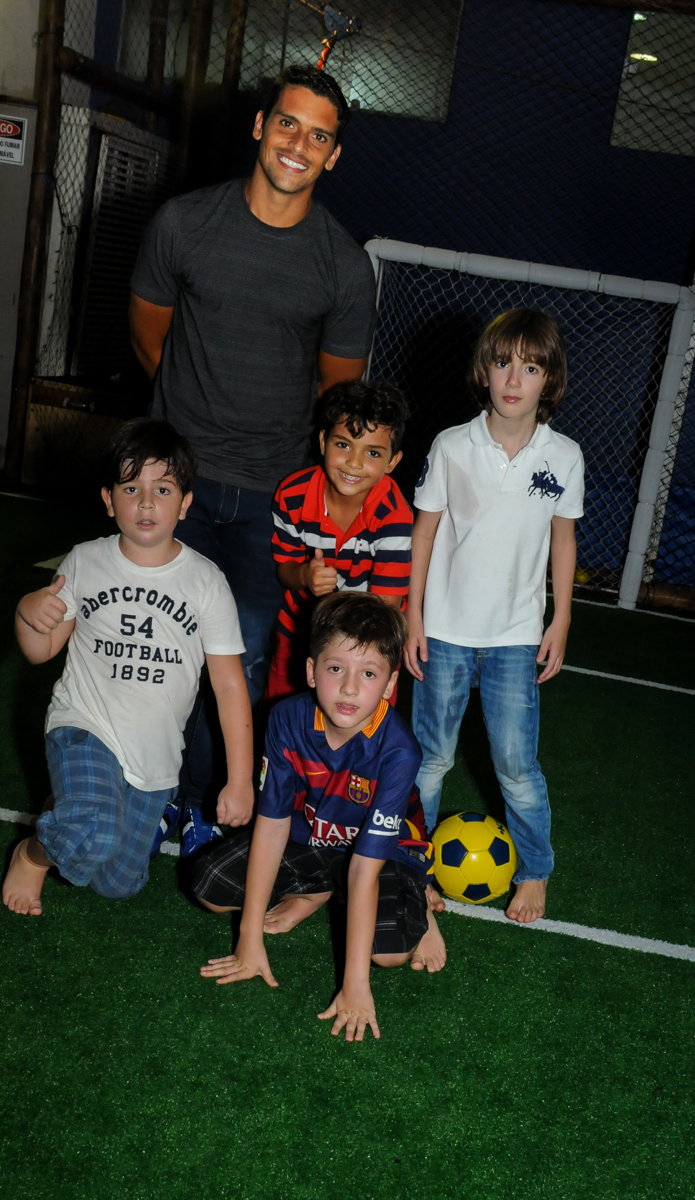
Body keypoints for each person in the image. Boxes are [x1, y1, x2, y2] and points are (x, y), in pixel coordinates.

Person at [129, 64, 377, 851]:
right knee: (152, 644)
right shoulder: (183, 223)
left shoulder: (341, 264)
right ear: (260, 125)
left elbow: (337, 397)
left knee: (234, 652)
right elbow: (149, 338)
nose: (299, 144)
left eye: (319, 135)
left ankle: (202, 801)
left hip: (274, 500)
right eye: (288, 124)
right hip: (180, 487)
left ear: (333, 156)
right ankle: (143, 790)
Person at [2, 419, 253, 916]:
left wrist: (240, 779)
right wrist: (27, 613)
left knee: (117, 882)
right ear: (107, 499)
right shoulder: (84, 561)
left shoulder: (206, 582)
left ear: (184, 504)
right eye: (130, 488)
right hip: (84, 724)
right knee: (92, 827)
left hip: (155, 756)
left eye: (162, 490)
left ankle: (67, 814)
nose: (145, 502)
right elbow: (39, 650)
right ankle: (32, 854)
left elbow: (228, 688)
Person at [194, 593, 447, 1044]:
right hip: (314, 839)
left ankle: (421, 899)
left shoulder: (398, 749)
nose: (349, 687)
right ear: (311, 671)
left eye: (368, 674)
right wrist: (249, 939)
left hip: (381, 855)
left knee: (387, 954)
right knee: (210, 887)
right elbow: (271, 826)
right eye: (336, 669)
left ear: (389, 686)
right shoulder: (286, 719)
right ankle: (320, 891)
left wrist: (355, 986)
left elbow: (366, 870)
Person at [404, 308, 585, 932]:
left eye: (530, 366)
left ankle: (534, 868)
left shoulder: (563, 456)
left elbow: (564, 541)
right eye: (503, 362)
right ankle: (413, 868)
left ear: (549, 379)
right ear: (485, 370)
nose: (514, 378)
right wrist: (414, 614)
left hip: (515, 636)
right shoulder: (452, 444)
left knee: (516, 764)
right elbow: (423, 533)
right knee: (430, 758)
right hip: (447, 631)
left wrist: (559, 620)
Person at [267, 379, 412, 701]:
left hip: (367, 644)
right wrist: (304, 575)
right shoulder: (292, 494)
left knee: (365, 737)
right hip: (299, 635)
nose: (354, 462)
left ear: (392, 462)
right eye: (343, 444)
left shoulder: (394, 515)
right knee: (286, 721)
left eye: (372, 452)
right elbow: (284, 569)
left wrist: (345, 661)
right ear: (323, 441)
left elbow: (386, 607)